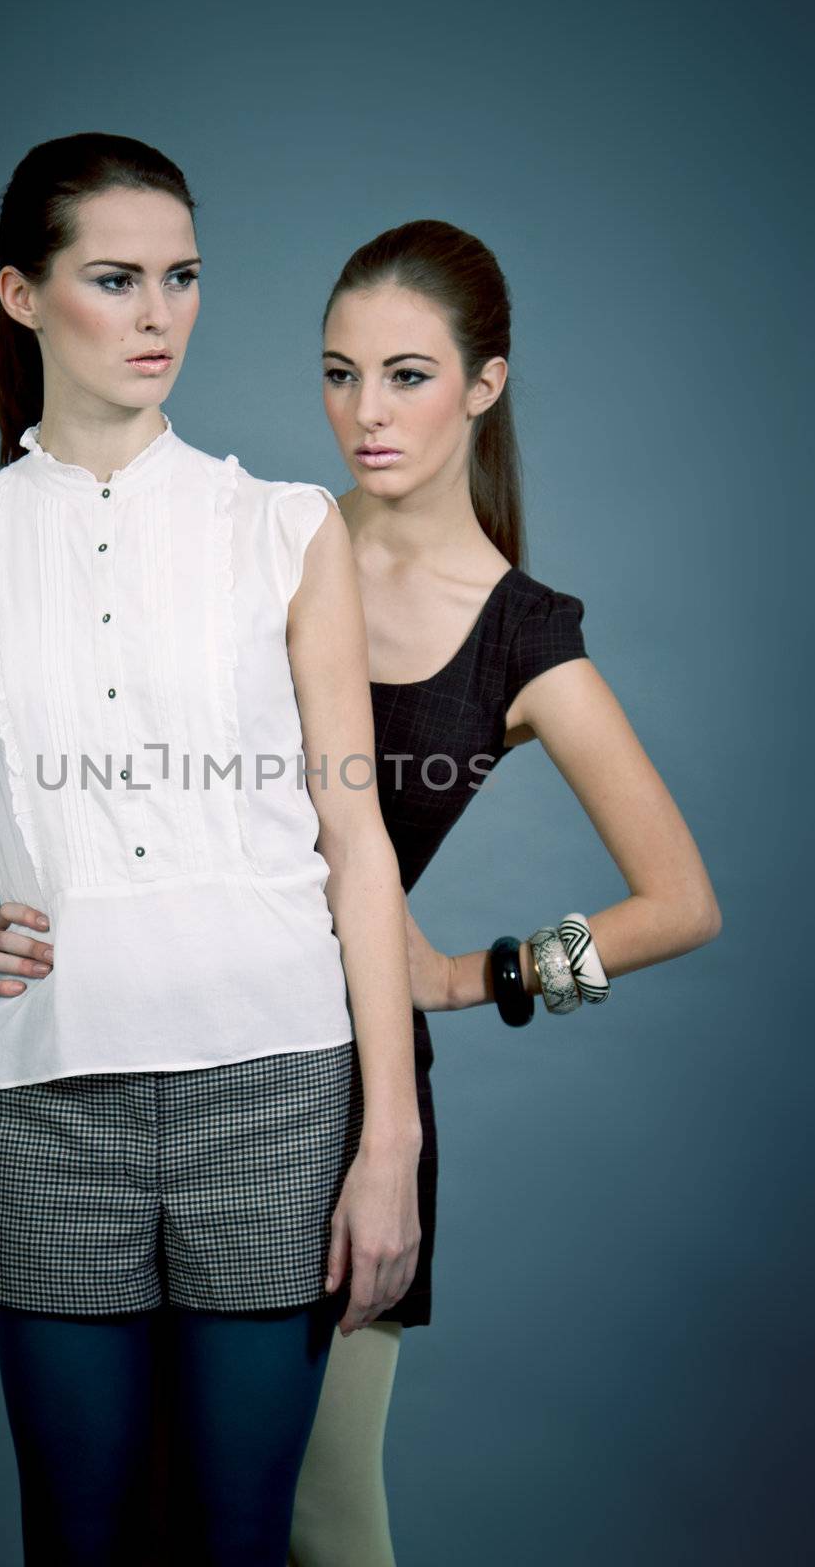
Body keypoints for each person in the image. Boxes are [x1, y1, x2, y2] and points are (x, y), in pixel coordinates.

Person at [0, 133, 424, 1567]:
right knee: (78, 1541)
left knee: (239, 1538)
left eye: (182, 279)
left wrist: (390, 1138)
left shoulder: (284, 527)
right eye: (115, 280)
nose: (158, 317)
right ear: (22, 295)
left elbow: (354, 838)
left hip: (274, 1093)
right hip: (44, 1109)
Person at [285, 219, 723, 1567]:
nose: (365, 413)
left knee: (323, 1519)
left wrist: (476, 977)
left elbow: (679, 901)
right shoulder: (258, 539)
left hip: (348, 1099)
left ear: (484, 384)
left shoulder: (521, 634)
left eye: (407, 375)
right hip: (168, 1057)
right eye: (339, 372)